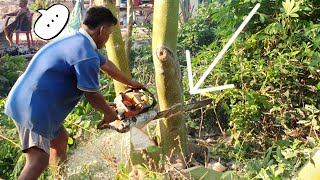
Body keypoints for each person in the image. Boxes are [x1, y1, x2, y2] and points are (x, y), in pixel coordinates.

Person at [4, 6, 143, 179]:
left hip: (29, 99)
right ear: (101, 30)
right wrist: (111, 116)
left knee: (60, 139)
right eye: (109, 33)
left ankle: (59, 177)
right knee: (38, 159)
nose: (107, 39)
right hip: (33, 107)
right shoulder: (85, 53)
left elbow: (107, 66)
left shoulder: (77, 40)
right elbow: (92, 94)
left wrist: (131, 83)